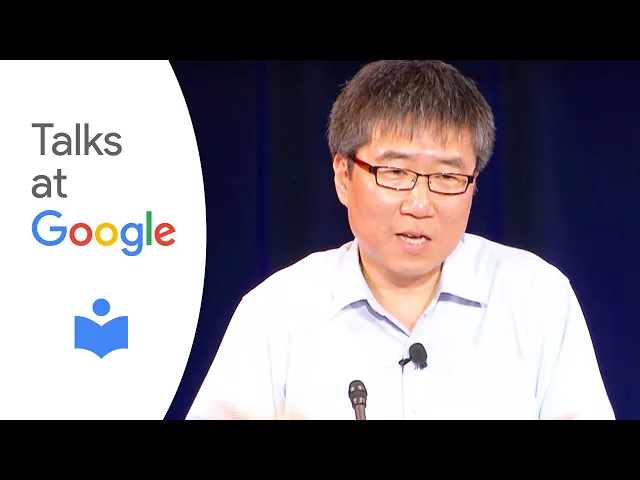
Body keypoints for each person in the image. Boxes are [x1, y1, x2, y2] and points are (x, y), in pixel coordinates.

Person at [186, 60, 615, 420]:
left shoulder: (537, 297)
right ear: (343, 176)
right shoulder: (278, 311)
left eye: (447, 177)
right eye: (395, 173)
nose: (420, 204)